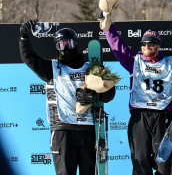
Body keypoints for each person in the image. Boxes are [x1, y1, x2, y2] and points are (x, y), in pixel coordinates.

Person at [101, 20, 172, 174]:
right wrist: (108, 28)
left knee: (163, 163)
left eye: (150, 44)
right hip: (140, 116)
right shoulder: (134, 62)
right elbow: (118, 46)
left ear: (158, 46)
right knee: (140, 160)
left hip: (163, 116)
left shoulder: (171, 63)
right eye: (143, 45)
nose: (146, 47)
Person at [19, 19, 115, 175]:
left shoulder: (92, 67)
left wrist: (94, 95)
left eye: (67, 44)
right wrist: (24, 37)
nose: (64, 48)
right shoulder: (52, 68)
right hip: (63, 128)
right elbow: (29, 58)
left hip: (88, 129)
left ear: (75, 44)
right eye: (60, 45)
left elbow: (110, 92)